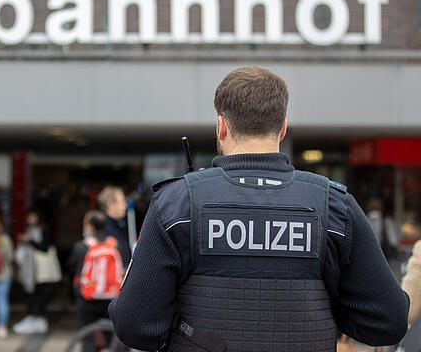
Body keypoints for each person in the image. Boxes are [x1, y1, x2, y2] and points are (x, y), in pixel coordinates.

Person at [109, 66, 409, 351]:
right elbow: (388, 321)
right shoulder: (334, 206)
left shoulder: (177, 204)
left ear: (221, 126)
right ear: (282, 129)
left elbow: (135, 326)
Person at [68, 210, 124, 352]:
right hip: (112, 298)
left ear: (90, 227)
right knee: (115, 337)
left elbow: (71, 268)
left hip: (87, 299)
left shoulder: (81, 247)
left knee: (88, 338)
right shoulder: (116, 245)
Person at [13, 209, 51, 334]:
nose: (30, 219)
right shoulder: (27, 230)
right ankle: (32, 319)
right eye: (29, 217)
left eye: (33, 216)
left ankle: (40, 319)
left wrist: (30, 241)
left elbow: (44, 248)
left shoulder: (43, 230)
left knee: (40, 294)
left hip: (39, 269)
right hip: (28, 269)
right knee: (30, 294)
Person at [97, 186, 132, 267]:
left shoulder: (121, 224)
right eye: (122, 201)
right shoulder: (103, 228)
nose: (125, 206)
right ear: (111, 205)